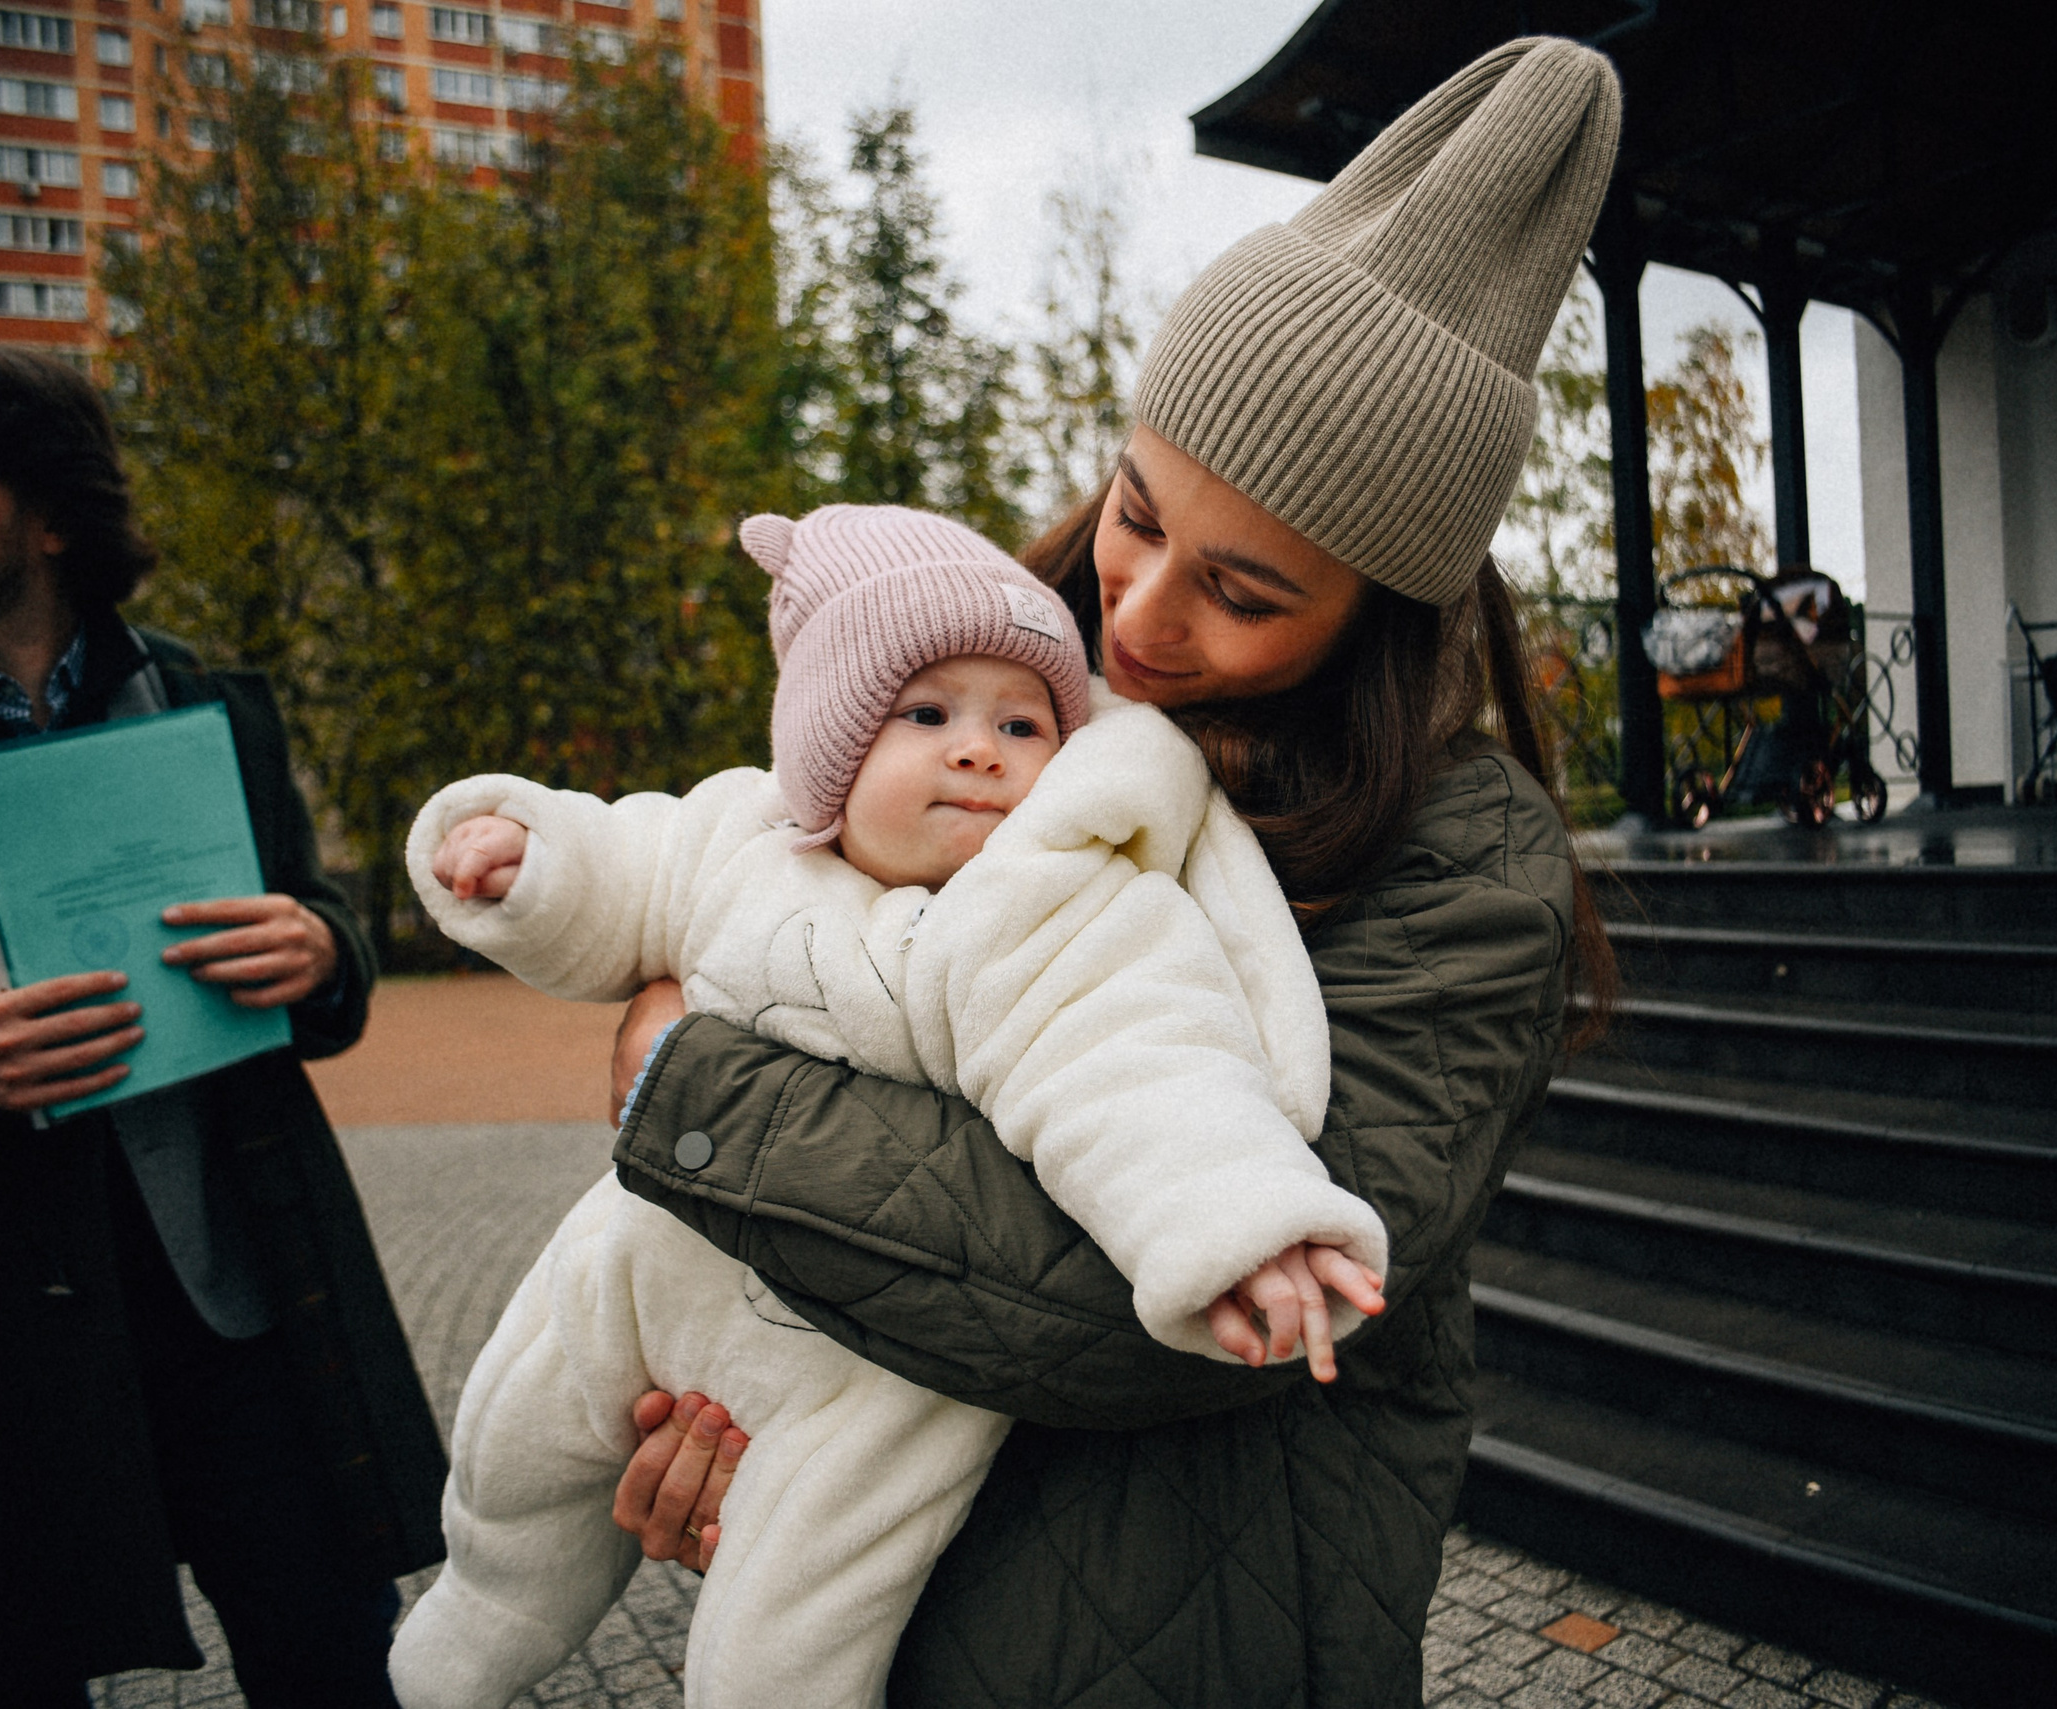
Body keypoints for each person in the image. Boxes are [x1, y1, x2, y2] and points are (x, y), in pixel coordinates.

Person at [596, 35, 1623, 1706]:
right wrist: (732, 1404)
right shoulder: (997, 695)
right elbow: (837, 977)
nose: (1138, 616)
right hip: (906, 1609)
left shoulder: (1463, 862)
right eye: (1136, 510)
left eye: (1243, 587)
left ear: (1381, 609)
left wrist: (680, 1082)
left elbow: (1137, 1298)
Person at [389, 504, 1388, 1708]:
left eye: (1020, 724)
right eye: (927, 714)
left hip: (873, 1369)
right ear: (829, 744)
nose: (978, 750)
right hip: (645, 1255)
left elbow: (1139, 1058)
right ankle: (483, 1610)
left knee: (802, 1610)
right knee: (520, 1421)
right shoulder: (740, 839)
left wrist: (1238, 1220)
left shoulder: (1045, 907)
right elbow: (613, 868)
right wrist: (518, 857)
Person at [0, 332, 447, 1708]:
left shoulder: (202, 702)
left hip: (234, 1305)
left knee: (339, 1665)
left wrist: (321, 949)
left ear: (53, 510)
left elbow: (315, 937)